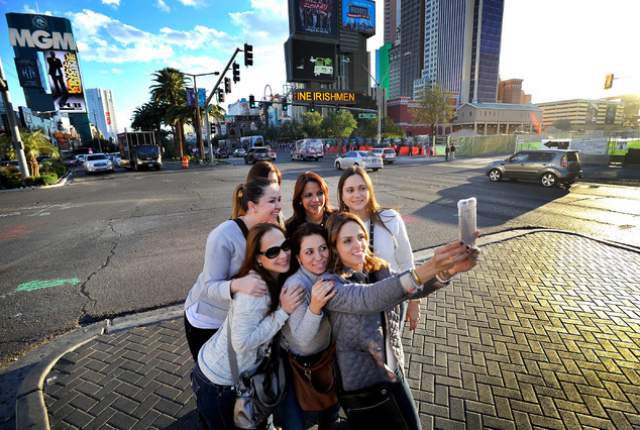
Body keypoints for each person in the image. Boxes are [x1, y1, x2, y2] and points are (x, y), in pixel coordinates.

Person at [323, 212, 478, 429]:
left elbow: (410, 289)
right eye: (347, 240)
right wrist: (431, 266)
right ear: (333, 247)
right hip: (365, 385)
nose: (358, 244)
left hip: (394, 369)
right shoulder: (331, 284)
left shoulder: (378, 268)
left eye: (361, 236)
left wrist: (449, 271)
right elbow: (371, 298)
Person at [192, 223, 305, 430]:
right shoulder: (254, 292)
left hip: (233, 376)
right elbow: (241, 343)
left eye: (286, 245)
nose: (283, 254)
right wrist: (283, 313)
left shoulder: (274, 277)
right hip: (220, 384)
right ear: (259, 259)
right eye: (272, 251)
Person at [184, 178, 283, 361]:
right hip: (207, 320)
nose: (278, 206)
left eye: (279, 199)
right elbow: (209, 287)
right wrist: (238, 285)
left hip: (237, 321)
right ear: (253, 206)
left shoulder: (270, 231)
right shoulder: (223, 235)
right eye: (272, 201)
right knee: (211, 378)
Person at [337, 166, 420, 331]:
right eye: (350, 190)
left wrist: (414, 301)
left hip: (393, 300)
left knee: (392, 351)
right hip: (358, 304)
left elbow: (406, 261)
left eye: (362, 188)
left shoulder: (390, 218)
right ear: (342, 194)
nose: (357, 195)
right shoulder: (337, 225)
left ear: (370, 190)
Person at [277, 223, 339, 430]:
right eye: (309, 252)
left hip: (326, 359)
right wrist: (315, 307)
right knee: (296, 423)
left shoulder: (328, 274)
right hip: (299, 366)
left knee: (330, 415)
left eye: (323, 248)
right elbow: (302, 339)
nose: (319, 257)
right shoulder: (295, 285)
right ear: (298, 258)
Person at [285, 171, 334, 237]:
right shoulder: (290, 228)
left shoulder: (337, 219)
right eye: (308, 195)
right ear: (300, 199)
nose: (315, 200)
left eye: (319, 193)